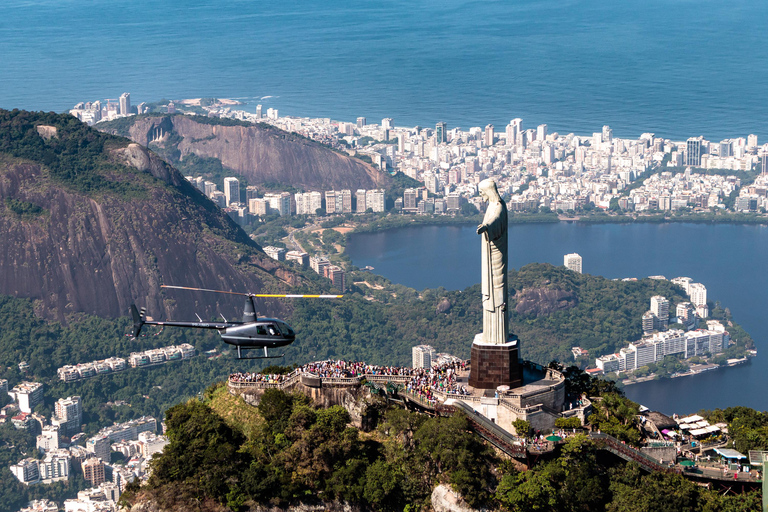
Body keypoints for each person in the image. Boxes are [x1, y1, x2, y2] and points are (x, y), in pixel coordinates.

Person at [476, 179, 509, 344]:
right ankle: (490, 335)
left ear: (488, 190)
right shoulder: (492, 204)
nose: (480, 195)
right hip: (489, 256)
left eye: (481, 192)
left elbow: (496, 220)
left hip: (496, 258)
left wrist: (486, 226)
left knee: (497, 292)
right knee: (490, 295)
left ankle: (497, 335)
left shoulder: (498, 207)